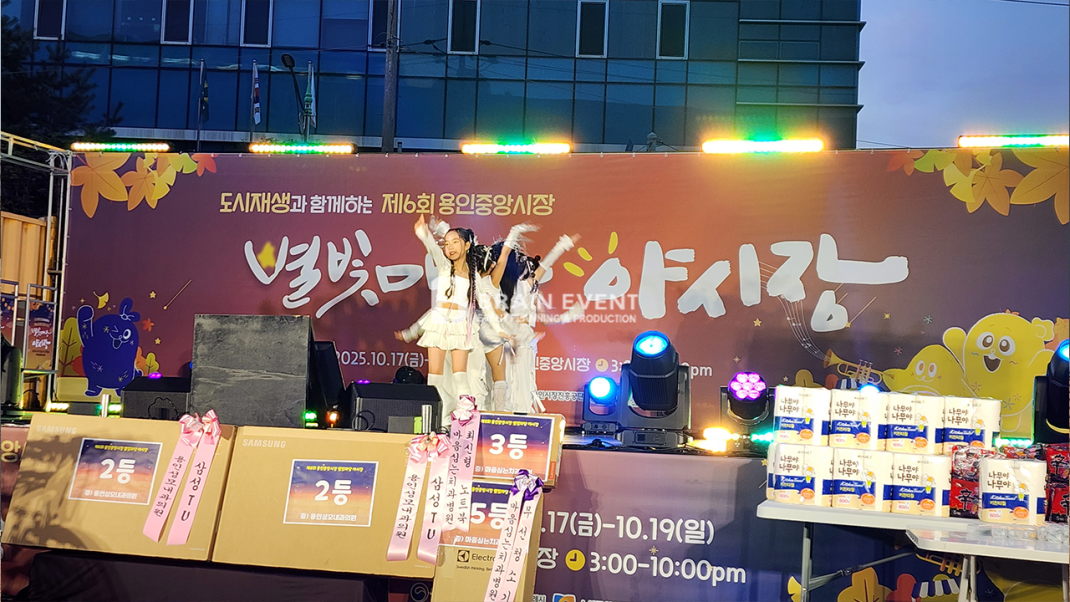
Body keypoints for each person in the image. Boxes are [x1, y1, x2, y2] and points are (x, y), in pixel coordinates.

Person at [394, 215, 504, 424]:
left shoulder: (474, 277)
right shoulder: (445, 267)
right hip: (438, 324)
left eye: (455, 242)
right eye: (446, 243)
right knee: (434, 377)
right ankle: (437, 421)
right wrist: (423, 233)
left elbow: (487, 306)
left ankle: (467, 419)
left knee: (460, 376)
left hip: (460, 326)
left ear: (467, 245)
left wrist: (500, 329)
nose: (449, 247)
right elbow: (433, 249)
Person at [495, 231, 580, 413]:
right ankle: (509, 415)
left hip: (523, 336)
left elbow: (545, 320)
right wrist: (563, 244)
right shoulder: (505, 285)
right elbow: (546, 264)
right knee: (511, 379)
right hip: (511, 335)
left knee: (523, 379)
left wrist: (567, 316)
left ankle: (519, 415)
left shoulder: (530, 287)